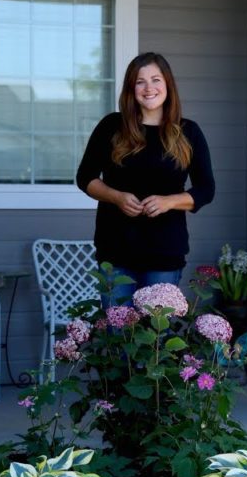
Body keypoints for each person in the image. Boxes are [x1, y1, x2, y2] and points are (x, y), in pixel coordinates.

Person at [76, 52, 215, 306]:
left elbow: (206, 189)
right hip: (115, 250)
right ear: (132, 88)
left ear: (167, 84)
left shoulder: (188, 132)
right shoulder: (111, 126)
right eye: (140, 81)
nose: (149, 88)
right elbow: (85, 177)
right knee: (118, 336)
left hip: (164, 252)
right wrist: (116, 197)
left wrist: (169, 202)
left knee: (157, 339)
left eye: (155, 79)